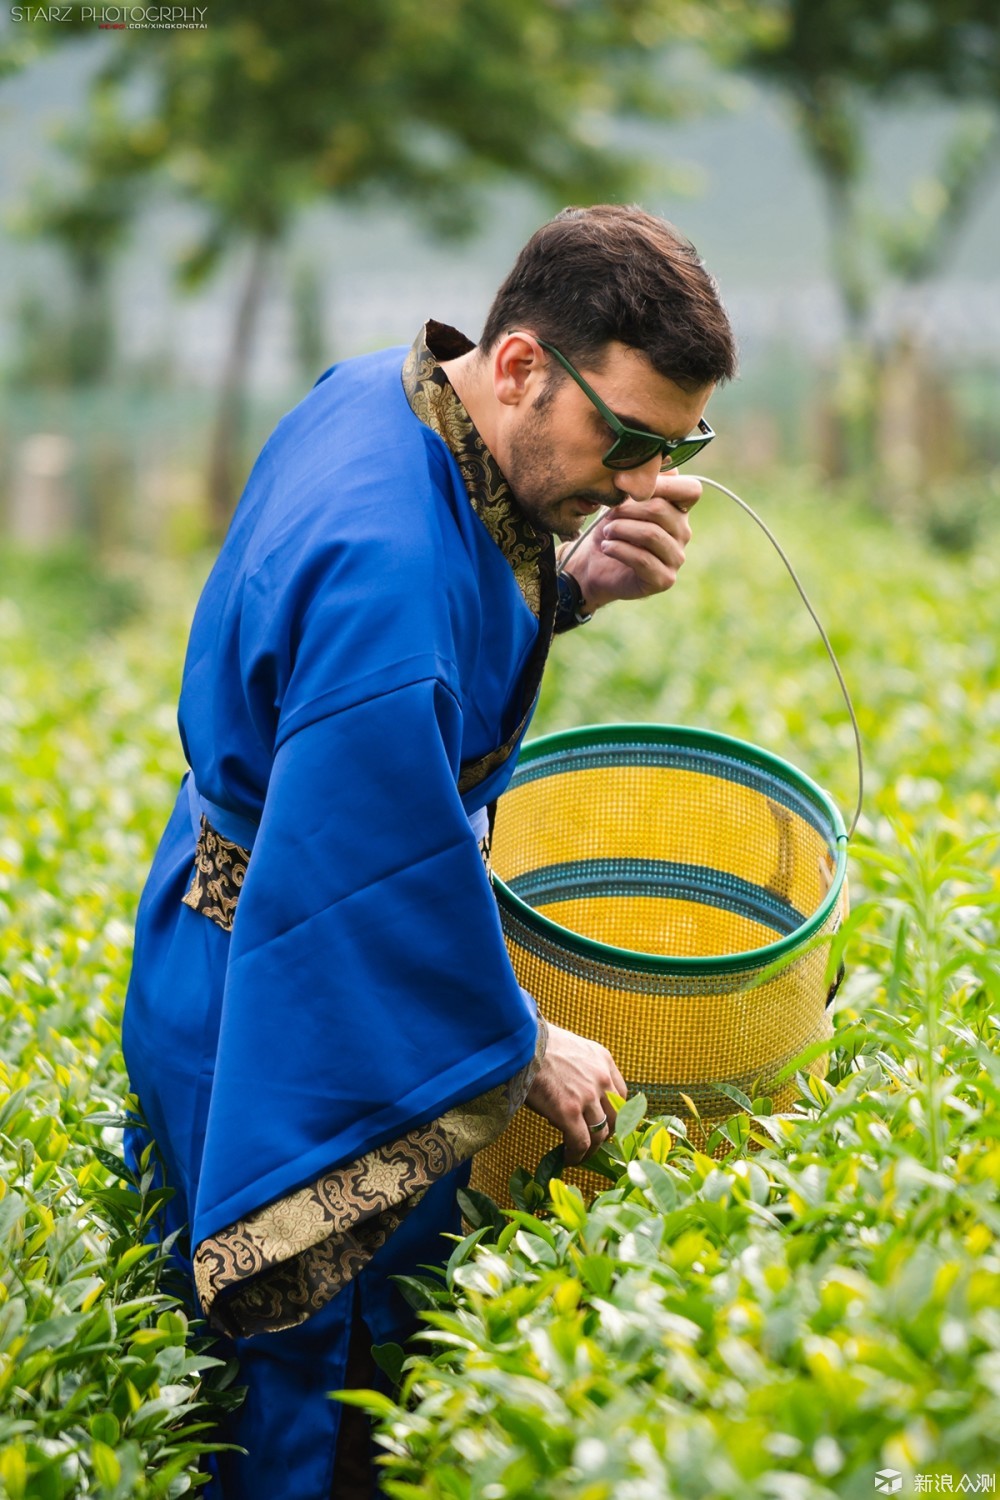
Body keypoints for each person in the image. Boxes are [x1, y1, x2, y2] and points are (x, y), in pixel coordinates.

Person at [122, 202, 737, 1498]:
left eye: (674, 446)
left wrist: (573, 588)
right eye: (623, 438)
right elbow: (366, 865)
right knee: (302, 1392)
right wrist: (521, 1038)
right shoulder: (384, 561)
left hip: (215, 934)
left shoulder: (381, 396)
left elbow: (379, 695)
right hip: (286, 1001)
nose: (639, 482)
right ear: (517, 364)